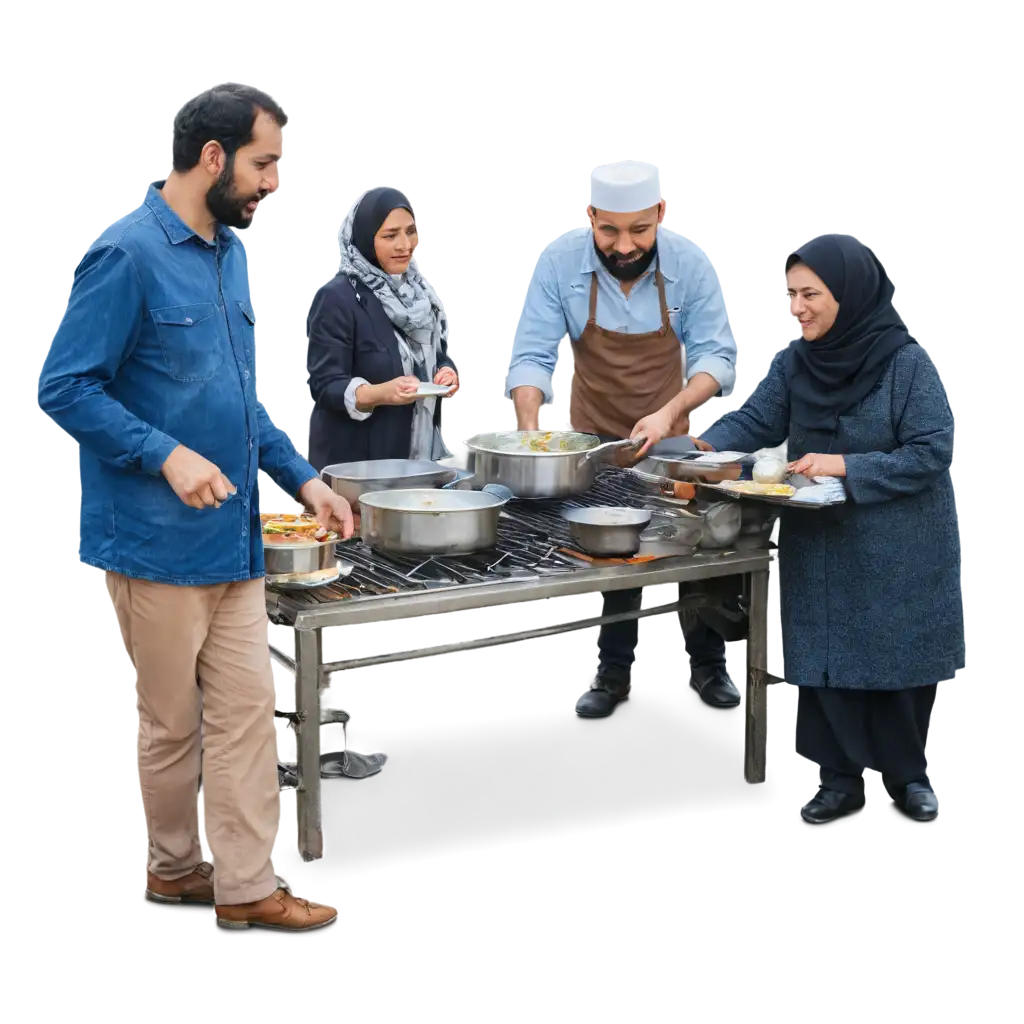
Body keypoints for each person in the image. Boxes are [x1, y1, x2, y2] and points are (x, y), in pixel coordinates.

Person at [36, 81, 354, 931]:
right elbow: (64, 387)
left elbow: (241, 400)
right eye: (264, 163)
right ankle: (173, 869)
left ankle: (248, 889)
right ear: (213, 158)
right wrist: (166, 455)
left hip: (236, 543)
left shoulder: (228, 255)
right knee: (172, 727)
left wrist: (306, 477)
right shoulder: (128, 253)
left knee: (249, 717)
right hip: (153, 543)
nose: (273, 183)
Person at [694, 233, 963, 825]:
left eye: (810, 293)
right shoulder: (794, 360)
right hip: (819, 543)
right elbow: (760, 418)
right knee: (823, 663)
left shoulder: (905, 363)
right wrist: (695, 447)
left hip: (895, 543)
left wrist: (844, 464)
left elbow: (931, 451)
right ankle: (836, 778)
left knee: (893, 666)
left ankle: (907, 779)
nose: (797, 309)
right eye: (789, 294)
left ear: (850, 294)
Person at [505, 158, 744, 717]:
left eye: (640, 228)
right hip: (596, 438)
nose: (625, 244)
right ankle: (613, 673)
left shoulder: (692, 264)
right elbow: (533, 354)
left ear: (661, 212)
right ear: (589, 215)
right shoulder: (559, 262)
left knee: (698, 545)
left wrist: (669, 413)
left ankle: (709, 664)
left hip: (673, 433)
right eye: (609, 230)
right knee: (614, 549)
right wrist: (529, 432)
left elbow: (716, 356)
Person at [303, 186, 459, 471]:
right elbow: (325, 385)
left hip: (416, 462)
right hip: (358, 471)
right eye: (390, 236)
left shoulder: (422, 293)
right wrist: (379, 393)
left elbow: (438, 351)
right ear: (365, 238)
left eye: (410, 231)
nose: (405, 245)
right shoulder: (337, 297)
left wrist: (445, 372)